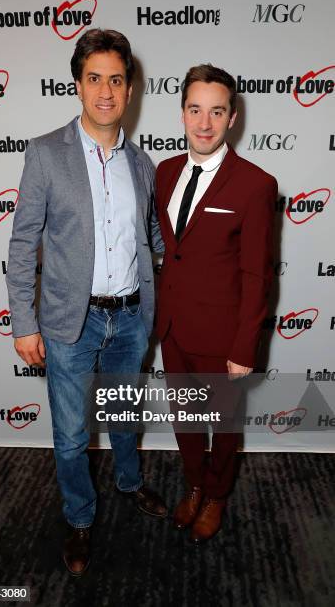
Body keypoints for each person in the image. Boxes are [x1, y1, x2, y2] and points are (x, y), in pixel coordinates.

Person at [6, 28, 167, 577]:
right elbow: (23, 241)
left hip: (128, 319)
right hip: (68, 323)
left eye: (116, 80)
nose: (105, 90)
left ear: (130, 89)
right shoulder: (45, 154)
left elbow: (155, 240)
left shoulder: (142, 165)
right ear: (77, 84)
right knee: (72, 434)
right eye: (94, 78)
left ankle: (129, 482)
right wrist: (23, 323)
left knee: (124, 416)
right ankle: (78, 518)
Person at [155, 64, 278, 543]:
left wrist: (245, 346)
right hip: (173, 327)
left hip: (225, 335)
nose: (204, 123)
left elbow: (257, 274)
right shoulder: (164, 173)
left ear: (233, 118)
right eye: (194, 110)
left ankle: (218, 494)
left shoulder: (255, 184)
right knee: (186, 419)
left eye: (216, 111)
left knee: (223, 428)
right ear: (182, 113)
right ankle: (194, 484)